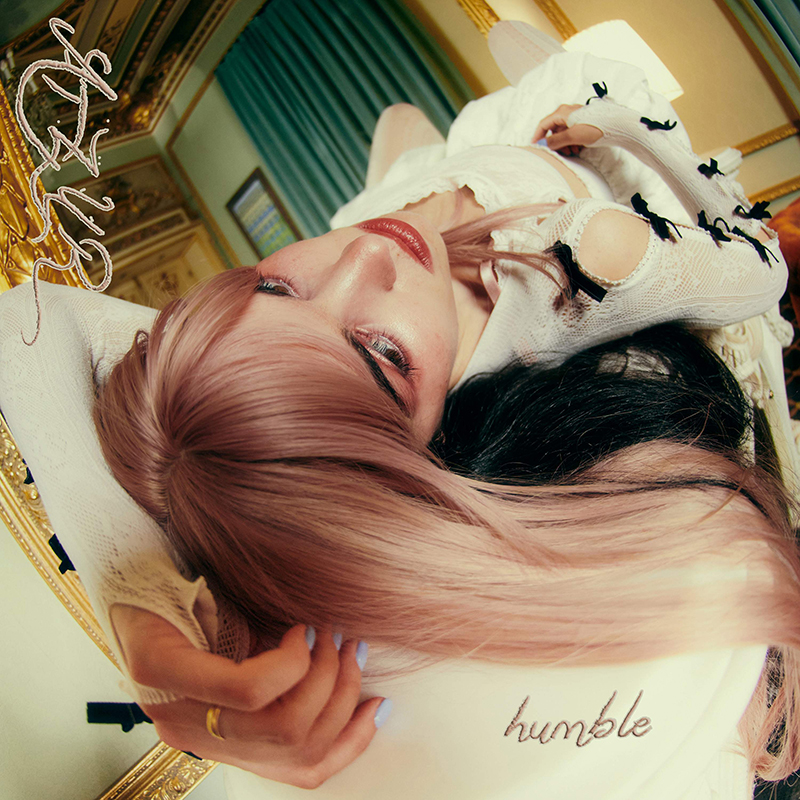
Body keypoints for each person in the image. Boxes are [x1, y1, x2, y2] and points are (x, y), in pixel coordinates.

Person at [0, 40, 791, 793]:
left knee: (396, 131)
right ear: (420, 444)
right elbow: (758, 263)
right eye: (381, 353)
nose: (365, 256)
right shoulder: (582, 275)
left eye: (273, 288)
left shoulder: (368, 246)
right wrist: (610, 123)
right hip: (598, 157)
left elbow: (26, 322)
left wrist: (136, 605)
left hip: (442, 164)